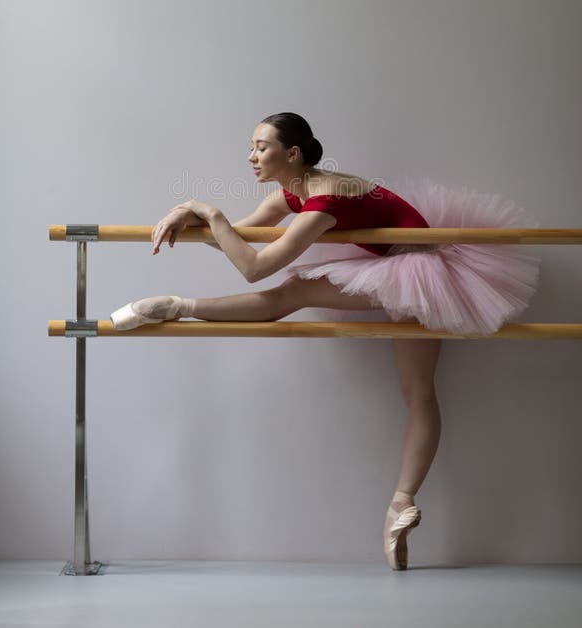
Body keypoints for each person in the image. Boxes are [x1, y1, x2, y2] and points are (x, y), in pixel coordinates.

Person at [110, 112, 541, 570]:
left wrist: (209, 211)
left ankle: (177, 305)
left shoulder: (324, 200)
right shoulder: (293, 193)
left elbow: (255, 267)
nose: (251, 156)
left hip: (424, 269)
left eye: (260, 146)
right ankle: (401, 504)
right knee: (413, 390)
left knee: (296, 298)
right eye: (252, 147)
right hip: (407, 263)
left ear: (291, 153)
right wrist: (191, 215)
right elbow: (235, 240)